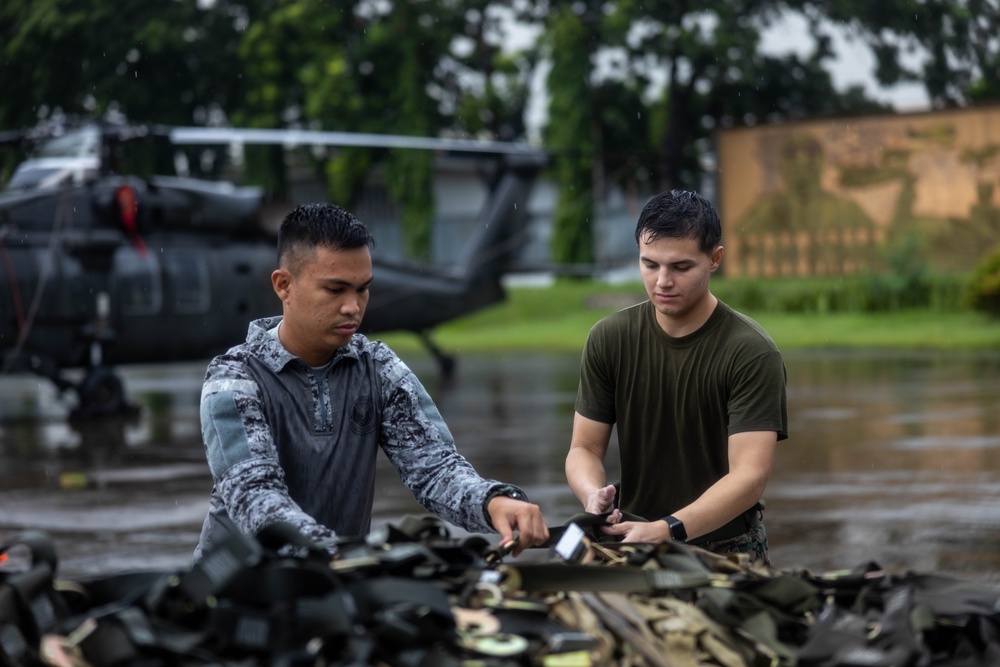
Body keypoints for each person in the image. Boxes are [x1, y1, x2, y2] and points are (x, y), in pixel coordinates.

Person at [194, 203, 548, 560]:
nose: (353, 307)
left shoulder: (378, 367)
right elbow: (257, 500)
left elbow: (436, 470)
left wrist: (495, 502)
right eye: (336, 290)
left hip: (341, 586)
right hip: (232, 595)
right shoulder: (234, 379)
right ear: (284, 285)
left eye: (363, 289)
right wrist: (351, 556)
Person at [565, 190, 787, 564]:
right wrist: (591, 493)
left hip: (726, 551)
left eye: (680, 267)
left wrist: (668, 528)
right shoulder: (609, 338)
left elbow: (749, 477)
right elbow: (584, 448)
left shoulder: (751, 351)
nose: (662, 281)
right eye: (649, 265)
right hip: (630, 541)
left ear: (715, 259)